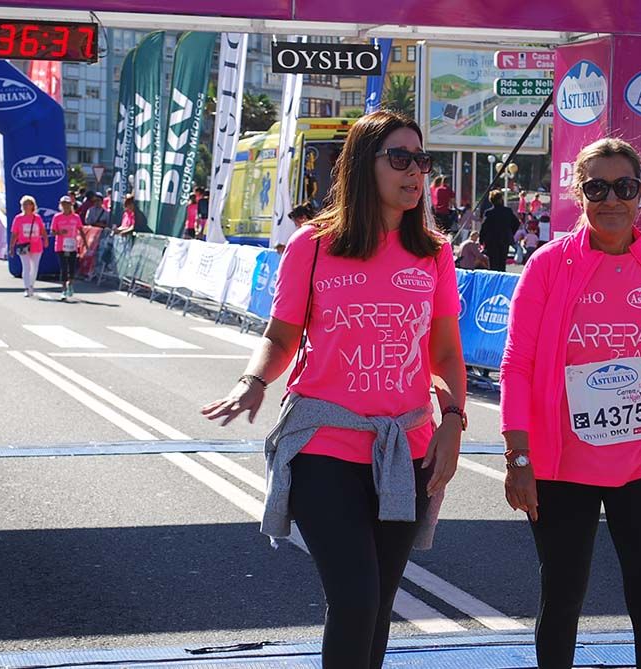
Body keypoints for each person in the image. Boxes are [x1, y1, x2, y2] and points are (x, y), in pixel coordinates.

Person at [200, 110, 466, 669]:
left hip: (406, 449)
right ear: (361, 166)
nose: (415, 172)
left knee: (378, 607)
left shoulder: (435, 251)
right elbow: (280, 335)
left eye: (421, 160)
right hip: (325, 445)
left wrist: (453, 422)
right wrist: (253, 382)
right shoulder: (314, 245)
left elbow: (443, 354)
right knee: (356, 599)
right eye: (400, 158)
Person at [500, 137, 641, 669]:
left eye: (624, 186)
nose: (611, 199)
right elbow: (516, 365)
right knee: (564, 598)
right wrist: (519, 457)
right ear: (578, 194)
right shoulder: (548, 265)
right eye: (596, 188)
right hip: (564, 460)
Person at [9, 195, 49, 298]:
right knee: (26, 267)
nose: (26, 206)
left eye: (28, 204)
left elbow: (43, 230)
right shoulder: (18, 218)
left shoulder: (37, 218)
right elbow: (14, 234)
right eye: (24, 204)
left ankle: (31, 285)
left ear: (32, 205)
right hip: (23, 246)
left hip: (36, 246)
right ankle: (27, 288)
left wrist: (45, 240)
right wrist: (11, 247)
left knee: (34, 268)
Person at [51, 195, 89, 300]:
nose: (65, 206)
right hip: (60, 246)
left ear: (71, 205)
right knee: (63, 268)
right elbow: (52, 232)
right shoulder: (57, 217)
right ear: (61, 205)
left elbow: (81, 230)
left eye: (67, 204)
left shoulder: (75, 217)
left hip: (72, 245)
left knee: (72, 267)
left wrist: (85, 243)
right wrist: (59, 232)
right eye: (63, 204)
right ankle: (63, 289)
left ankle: (70, 284)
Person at [479, 190, 519, 272]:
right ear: (501, 199)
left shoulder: (489, 213)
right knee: (502, 263)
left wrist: (481, 240)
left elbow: (484, 228)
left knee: (493, 264)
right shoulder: (508, 211)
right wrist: (510, 233)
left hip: (492, 241)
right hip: (504, 240)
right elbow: (516, 223)